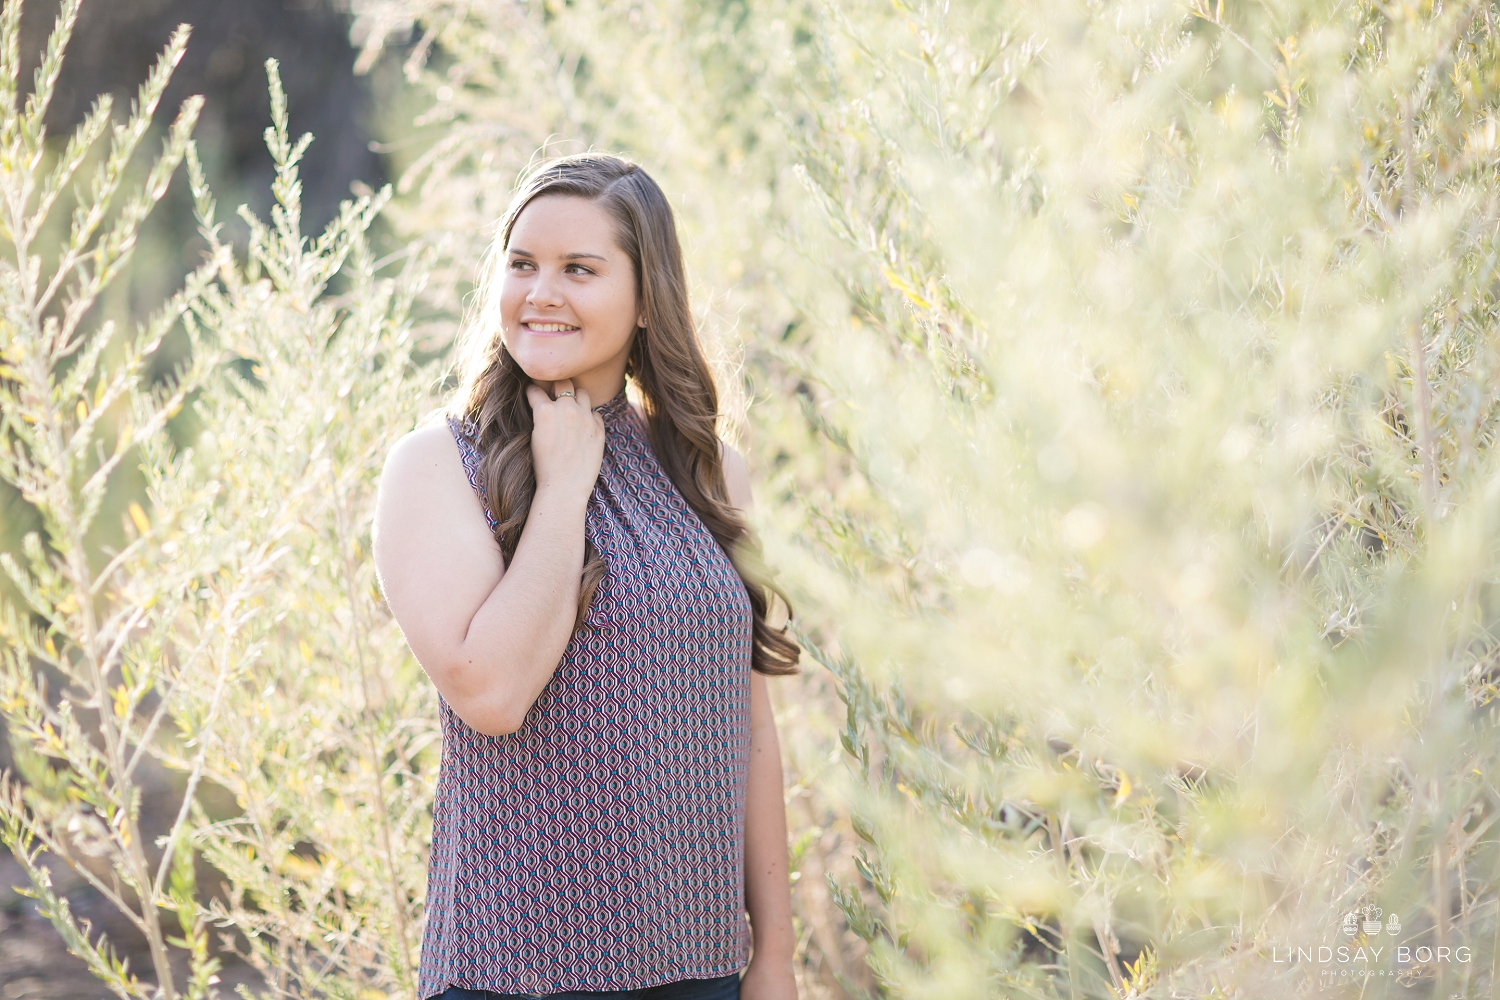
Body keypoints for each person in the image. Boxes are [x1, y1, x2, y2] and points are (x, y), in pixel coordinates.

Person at [373, 152, 802, 1000]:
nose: (541, 293)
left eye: (580, 269)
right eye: (522, 264)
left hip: (701, 968)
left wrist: (775, 958)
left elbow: (748, 729)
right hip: (519, 974)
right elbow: (491, 695)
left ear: (646, 300)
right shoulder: (437, 467)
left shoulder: (709, 470)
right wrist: (565, 485)